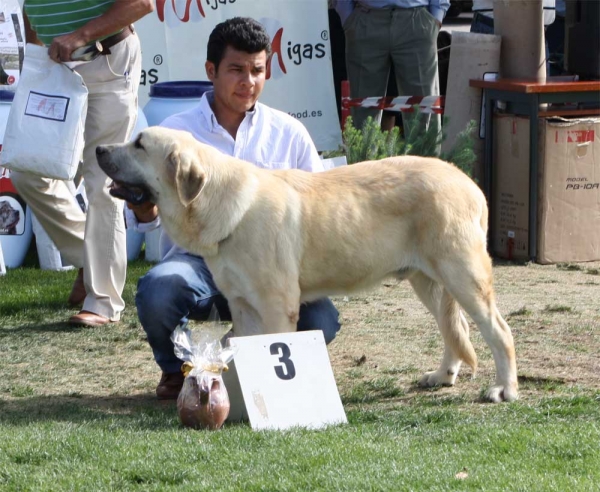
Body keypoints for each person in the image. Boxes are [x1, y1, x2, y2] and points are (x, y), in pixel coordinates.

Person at [127, 17, 341, 400]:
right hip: (198, 264)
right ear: (211, 71)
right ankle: (179, 372)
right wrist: (143, 209)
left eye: (257, 70)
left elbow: (319, 205)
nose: (249, 81)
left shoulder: (289, 133)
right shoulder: (176, 133)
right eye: (236, 70)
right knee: (159, 291)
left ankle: (258, 375)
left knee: (322, 319)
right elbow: (146, 218)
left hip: (272, 270)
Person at [11, 0, 154, 327]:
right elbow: (32, 10)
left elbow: (142, 3)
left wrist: (79, 36)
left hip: (108, 62)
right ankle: (88, 259)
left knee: (102, 185)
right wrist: (34, 57)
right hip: (54, 68)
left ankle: (103, 304)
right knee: (27, 173)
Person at [332, 0, 447, 134]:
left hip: (416, 20)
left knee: (423, 108)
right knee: (363, 109)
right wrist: (348, 17)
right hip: (366, 19)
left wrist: (437, 15)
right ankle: (364, 155)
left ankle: (424, 155)